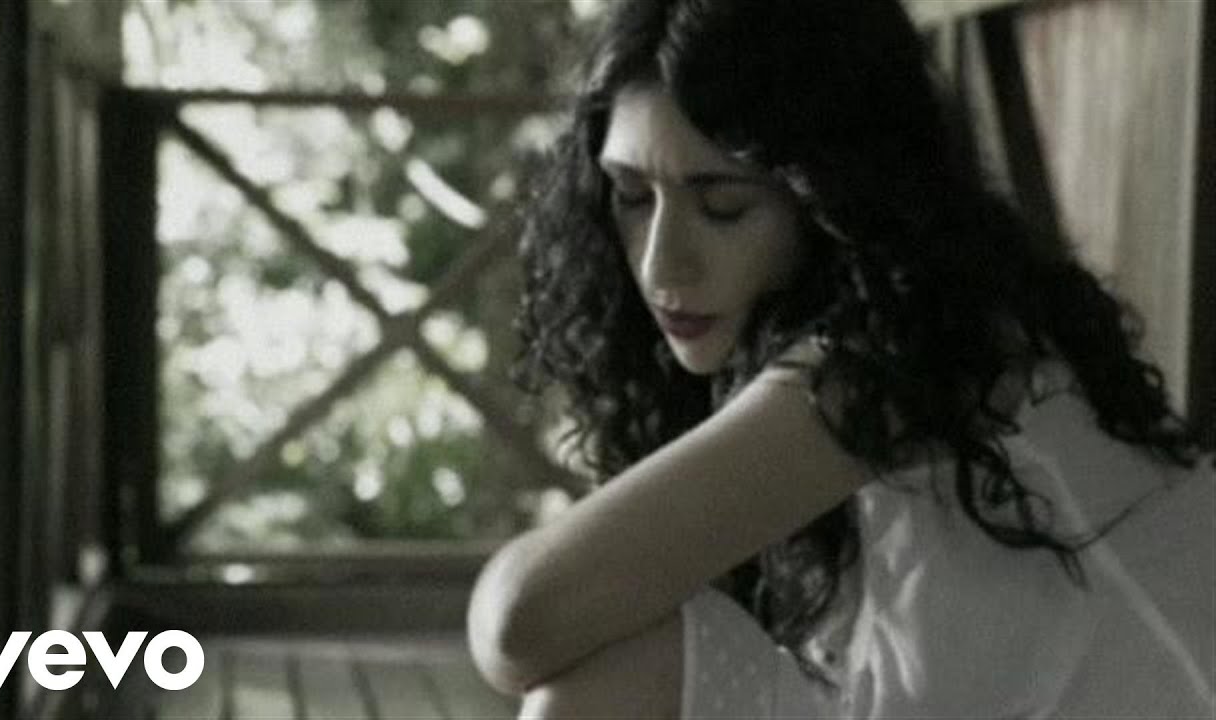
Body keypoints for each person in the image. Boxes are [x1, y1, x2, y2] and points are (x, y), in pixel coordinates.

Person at [466, 0, 1215, 717]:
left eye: (724, 207)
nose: (663, 263)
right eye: (631, 196)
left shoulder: (902, 357)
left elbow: (521, 621)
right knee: (620, 676)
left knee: (615, 676)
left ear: (832, 193)